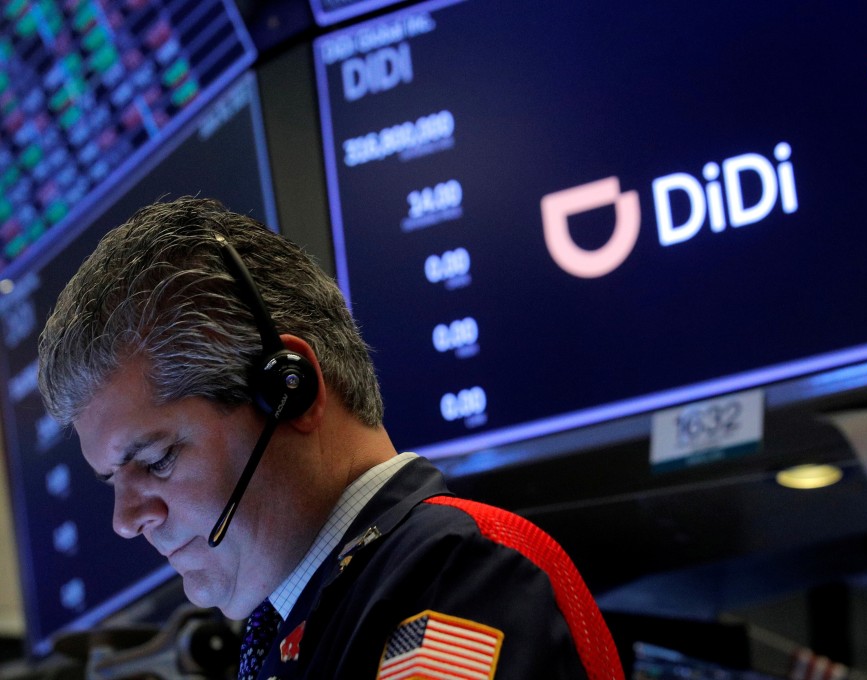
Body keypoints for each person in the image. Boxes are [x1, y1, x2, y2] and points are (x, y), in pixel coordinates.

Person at [37, 196, 623, 679]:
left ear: (290, 391)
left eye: (157, 459)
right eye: (112, 480)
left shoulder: (454, 580)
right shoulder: (304, 628)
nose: (125, 520)